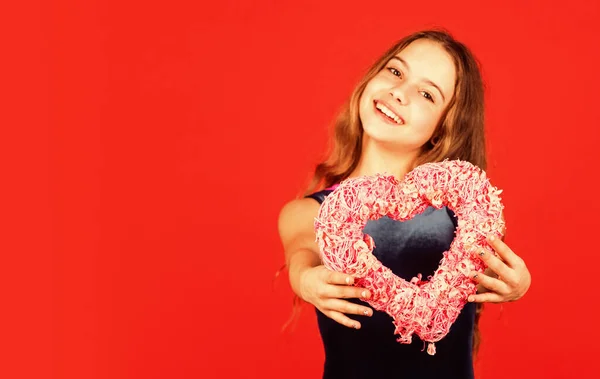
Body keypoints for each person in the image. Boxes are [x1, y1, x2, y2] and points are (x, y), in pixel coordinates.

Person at [277, 29, 532, 379]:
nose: (399, 92)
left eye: (427, 94)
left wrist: (516, 283)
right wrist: (305, 279)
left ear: (444, 128)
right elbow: (301, 254)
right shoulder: (311, 212)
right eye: (395, 72)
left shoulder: (460, 209)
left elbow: (483, 269)